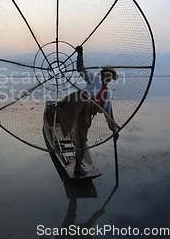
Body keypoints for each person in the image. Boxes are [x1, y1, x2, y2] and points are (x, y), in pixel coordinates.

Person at [49, 45, 118, 177]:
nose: (109, 78)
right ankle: (57, 107)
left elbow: (108, 113)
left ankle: (78, 166)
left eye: (111, 76)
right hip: (80, 105)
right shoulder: (95, 80)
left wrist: (114, 130)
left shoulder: (107, 94)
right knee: (80, 96)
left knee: (81, 138)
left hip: (87, 114)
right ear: (103, 74)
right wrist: (80, 54)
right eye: (107, 74)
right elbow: (80, 69)